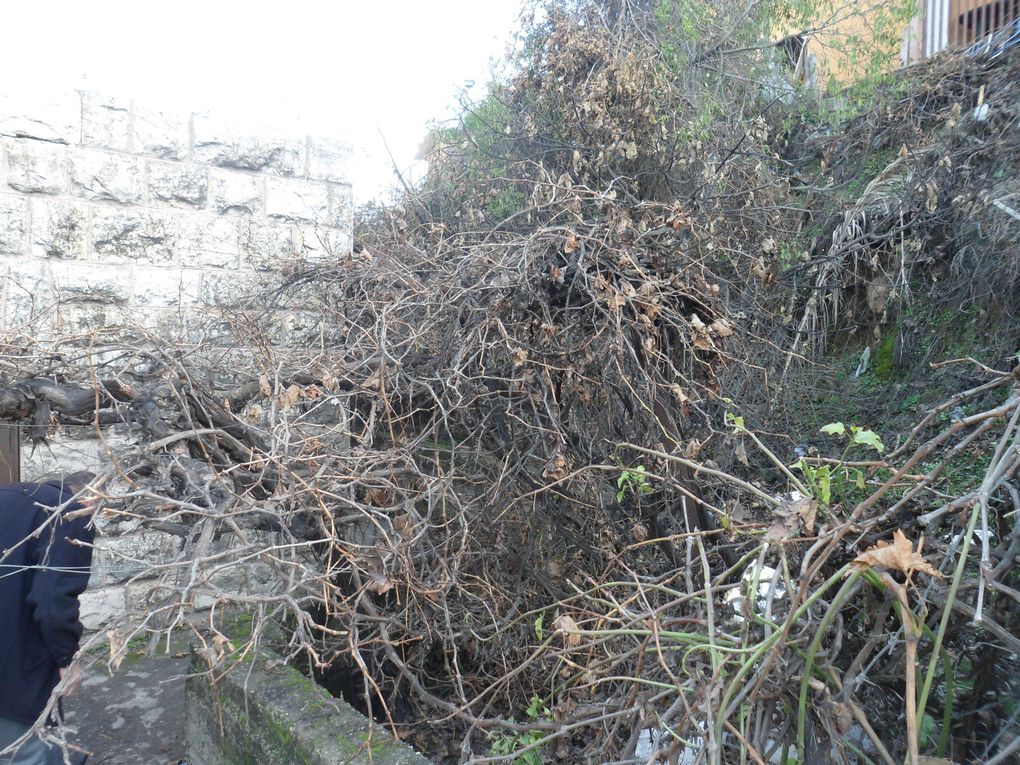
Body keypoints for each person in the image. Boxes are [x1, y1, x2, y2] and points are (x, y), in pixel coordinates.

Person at [0, 472, 97, 765]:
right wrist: (68, 658)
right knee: (23, 748)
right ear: (93, 496)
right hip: (15, 665)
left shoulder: (11, 496)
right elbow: (53, 599)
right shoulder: (73, 510)